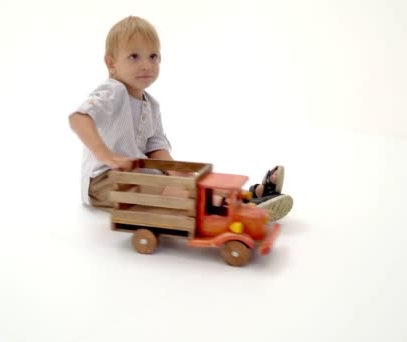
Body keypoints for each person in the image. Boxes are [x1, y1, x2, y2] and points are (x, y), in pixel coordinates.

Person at [68, 16, 293, 221]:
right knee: (171, 193)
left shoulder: (151, 105)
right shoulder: (112, 91)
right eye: (134, 56)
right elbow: (79, 118)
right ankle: (234, 210)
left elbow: (155, 145)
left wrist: (172, 169)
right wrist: (105, 154)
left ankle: (251, 196)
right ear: (111, 64)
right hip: (104, 181)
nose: (146, 64)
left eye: (153, 56)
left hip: (138, 174)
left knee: (185, 182)